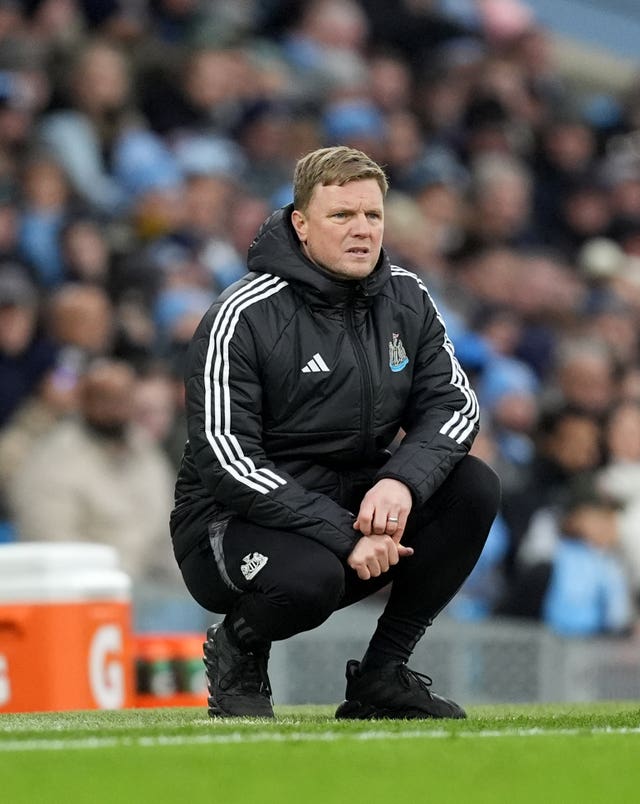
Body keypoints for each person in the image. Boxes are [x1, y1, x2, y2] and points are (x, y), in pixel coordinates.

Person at [170, 146, 501, 720]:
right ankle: (239, 649)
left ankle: (382, 675)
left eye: (372, 216)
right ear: (300, 224)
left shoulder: (408, 297)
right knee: (311, 579)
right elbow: (225, 459)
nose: (361, 231)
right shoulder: (242, 313)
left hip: (351, 501)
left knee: (473, 487)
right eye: (341, 216)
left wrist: (400, 484)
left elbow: (455, 406)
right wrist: (345, 536)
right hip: (230, 524)